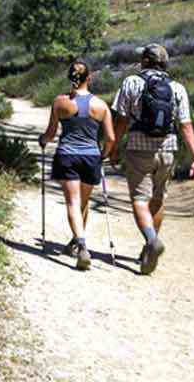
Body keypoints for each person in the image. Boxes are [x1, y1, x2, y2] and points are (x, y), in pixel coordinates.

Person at [109, 43, 194, 275]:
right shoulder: (177, 88)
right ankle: (149, 247)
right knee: (158, 198)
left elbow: (121, 119)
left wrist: (112, 148)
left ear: (144, 61)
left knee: (139, 199)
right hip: (168, 149)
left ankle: (151, 240)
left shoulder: (132, 82)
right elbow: (186, 125)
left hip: (138, 149)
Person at [37, 60, 115, 271]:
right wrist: (104, 155)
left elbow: (51, 134)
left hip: (67, 156)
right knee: (84, 202)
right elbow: (110, 138)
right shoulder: (101, 105)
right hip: (91, 157)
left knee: (73, 201)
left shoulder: (60, 102)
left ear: (70, 77)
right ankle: (76, 240)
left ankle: (80, 244)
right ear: (89, 77)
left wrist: (42, 141)